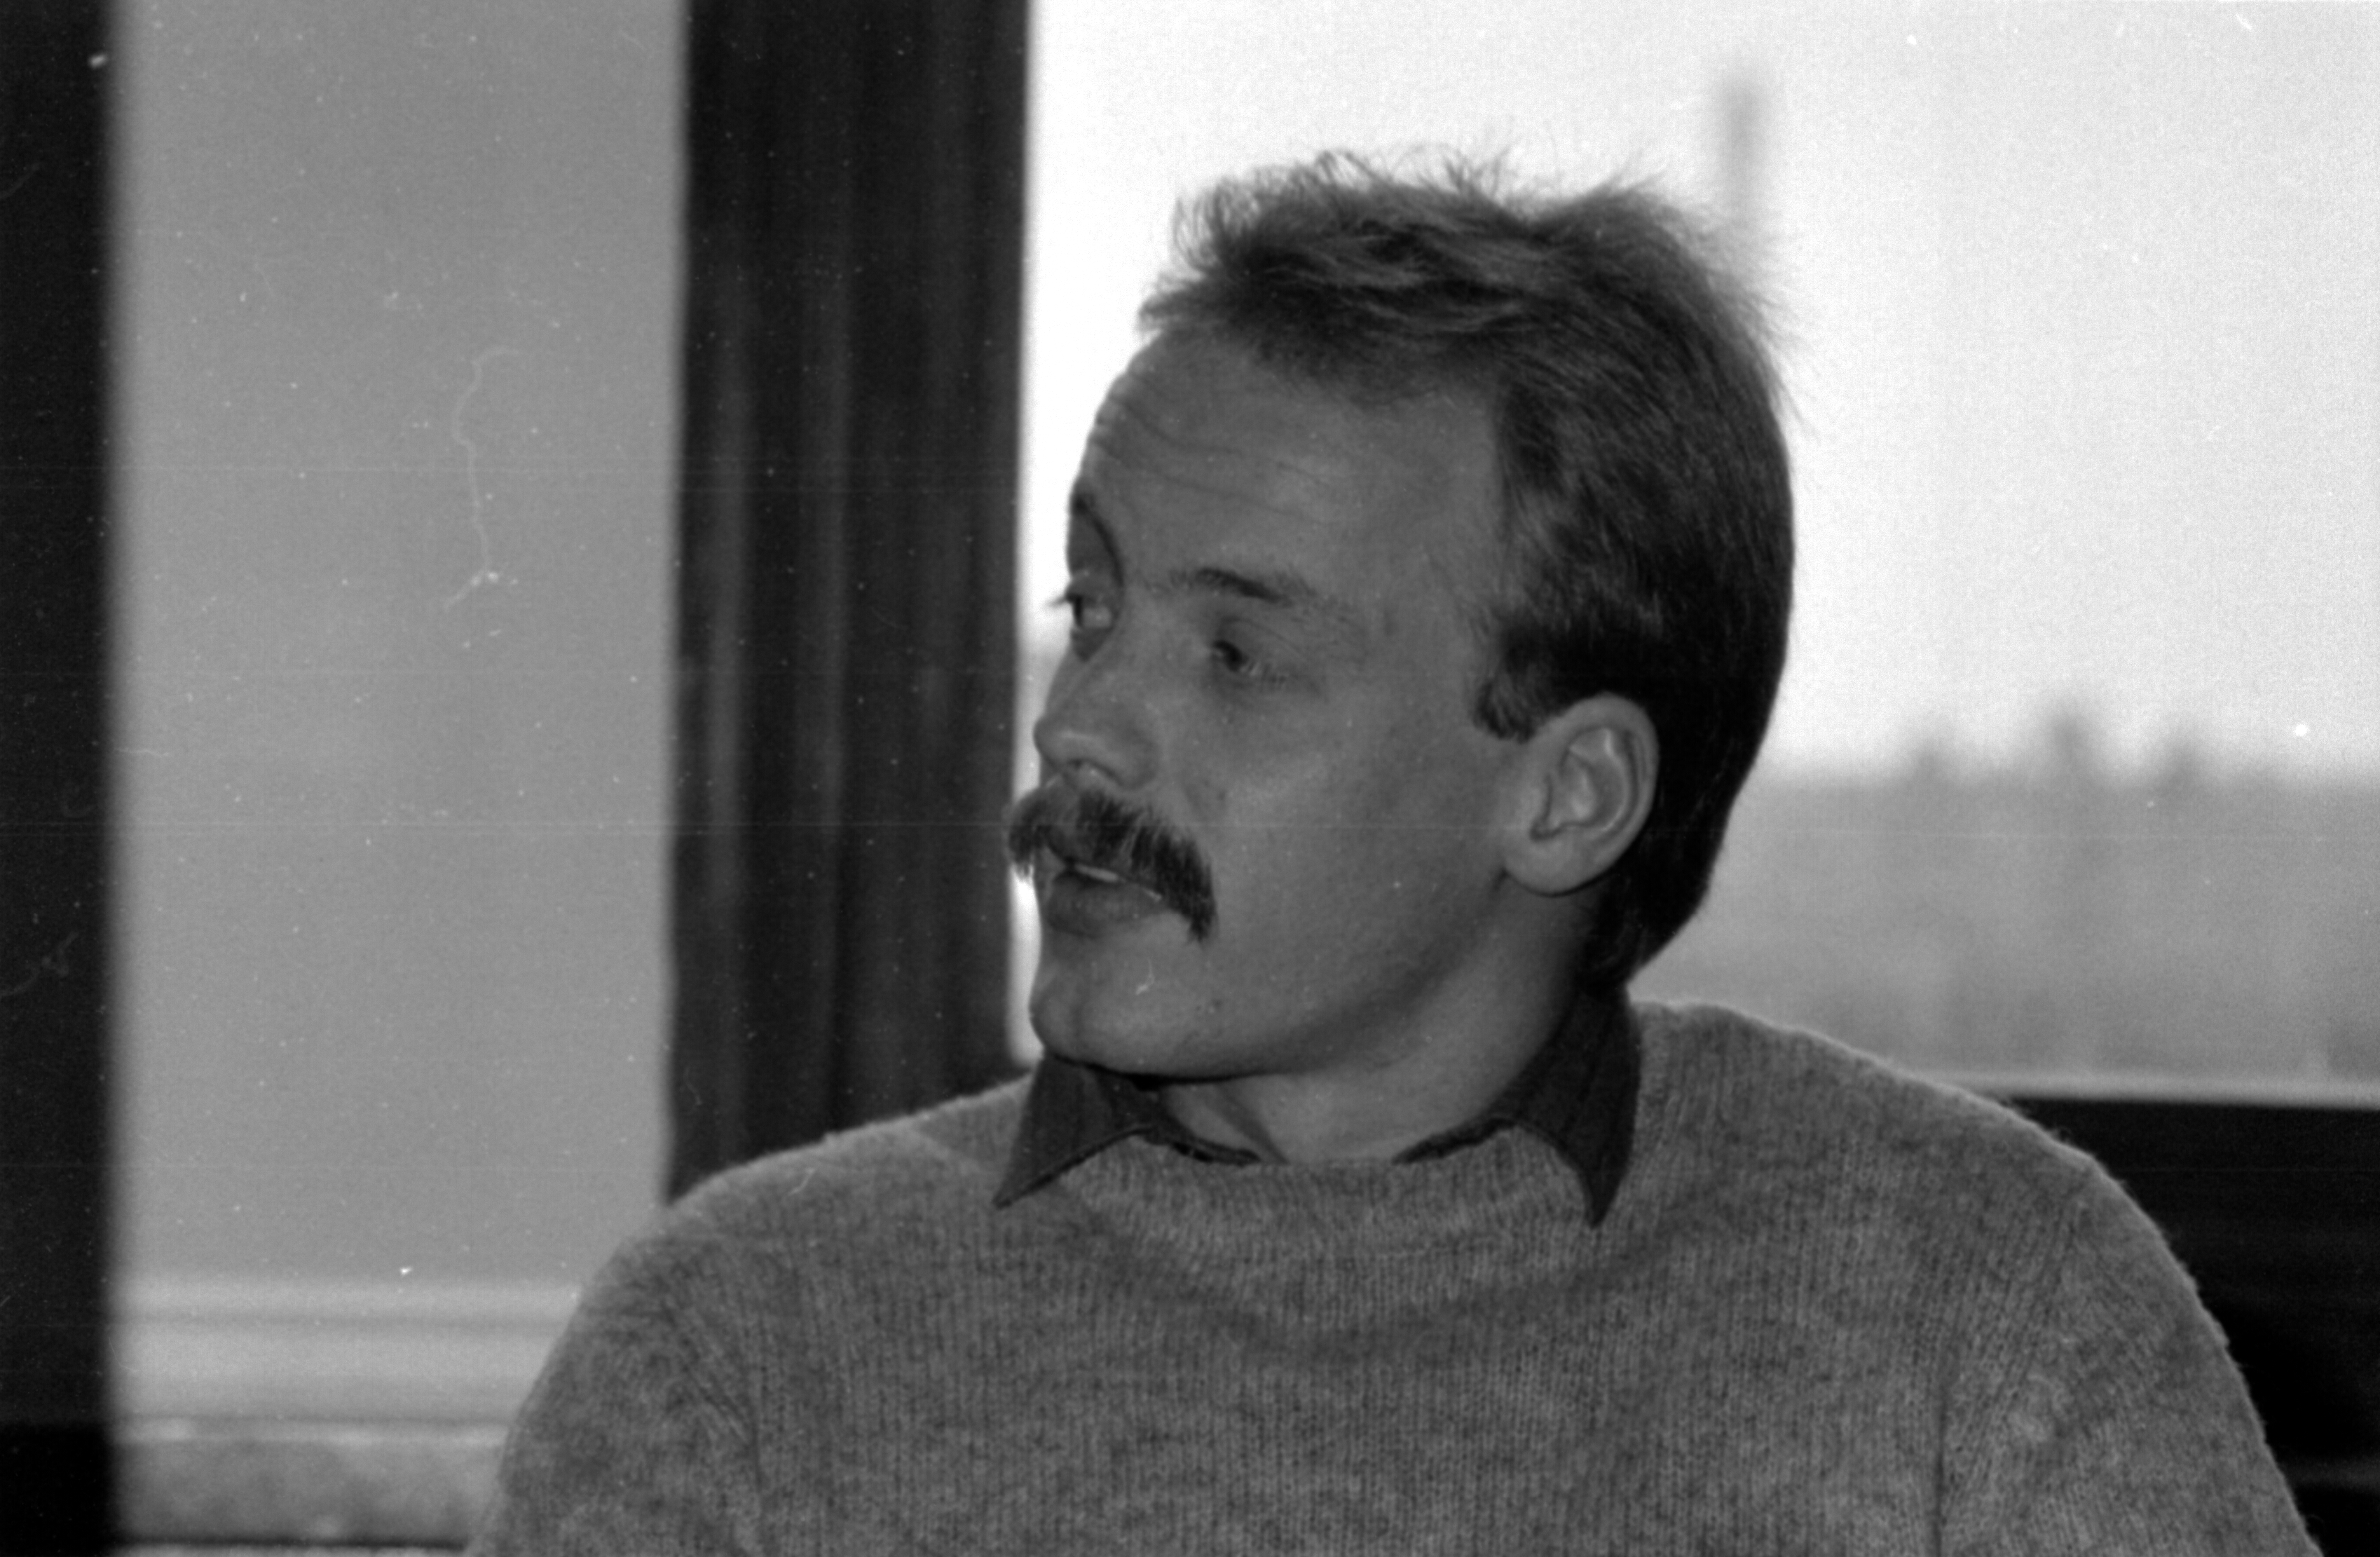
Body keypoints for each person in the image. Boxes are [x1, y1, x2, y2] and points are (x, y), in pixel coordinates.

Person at [473, 155, 2313, 1553]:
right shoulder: (737, 1357)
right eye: (1089, 606)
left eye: (1235, 654)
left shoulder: (1983, 1323)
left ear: (1566, 796)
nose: (1078, 724)